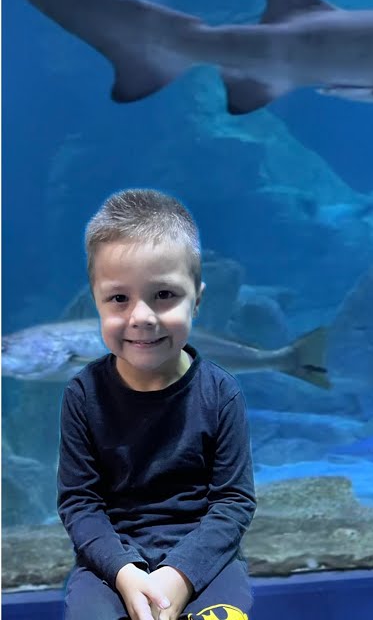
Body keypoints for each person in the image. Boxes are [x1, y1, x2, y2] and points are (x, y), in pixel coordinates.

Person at [58, 188, 256, 620]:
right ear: (96, 301)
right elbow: (79, 503)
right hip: (110, 561)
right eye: (118, 298)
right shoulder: (82, 395)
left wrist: (178, 577)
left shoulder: (221, 393)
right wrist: (125, 573)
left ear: (197, 299)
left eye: (164, 295)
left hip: (207, 559)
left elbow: (233, 502)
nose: (142, 316)